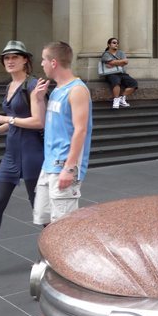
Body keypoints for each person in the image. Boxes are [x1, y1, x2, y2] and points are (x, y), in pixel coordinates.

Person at [33, 41, 93, 225]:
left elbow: (80, 130)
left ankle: (64, 254)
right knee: (45, 219)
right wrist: (38, 100)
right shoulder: (57, 90)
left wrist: (69, 168)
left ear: (53, 62)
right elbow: (44, 123)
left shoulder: (77, 90)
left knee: (63, 226)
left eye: (44, 59)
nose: (41, 63)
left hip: (64, 165)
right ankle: (48, 255)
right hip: (49, 164)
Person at [0, 41, 47, 242]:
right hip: (11, 155)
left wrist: (5, 119)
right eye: (6, 58)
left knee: (41, 210)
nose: (10, 61)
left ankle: (60, 254)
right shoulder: (10, 85)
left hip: (32, 154)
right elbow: (15, 120)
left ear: (25, 60)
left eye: (15, 57)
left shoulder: (33, 85)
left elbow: (38, 121)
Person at [100, 38, 138, 109]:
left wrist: (113, 63)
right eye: (114, 43)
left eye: (117, 43)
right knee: (116, 81)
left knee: (134, 83)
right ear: (109, 44)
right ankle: (116, 100)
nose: (116, 44)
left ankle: (121, 98)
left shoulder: (121, 53)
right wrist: (121, 61)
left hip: (122, 73)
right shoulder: (106, 54)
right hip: (111, 74)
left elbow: (125, 62)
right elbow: (114, 62)